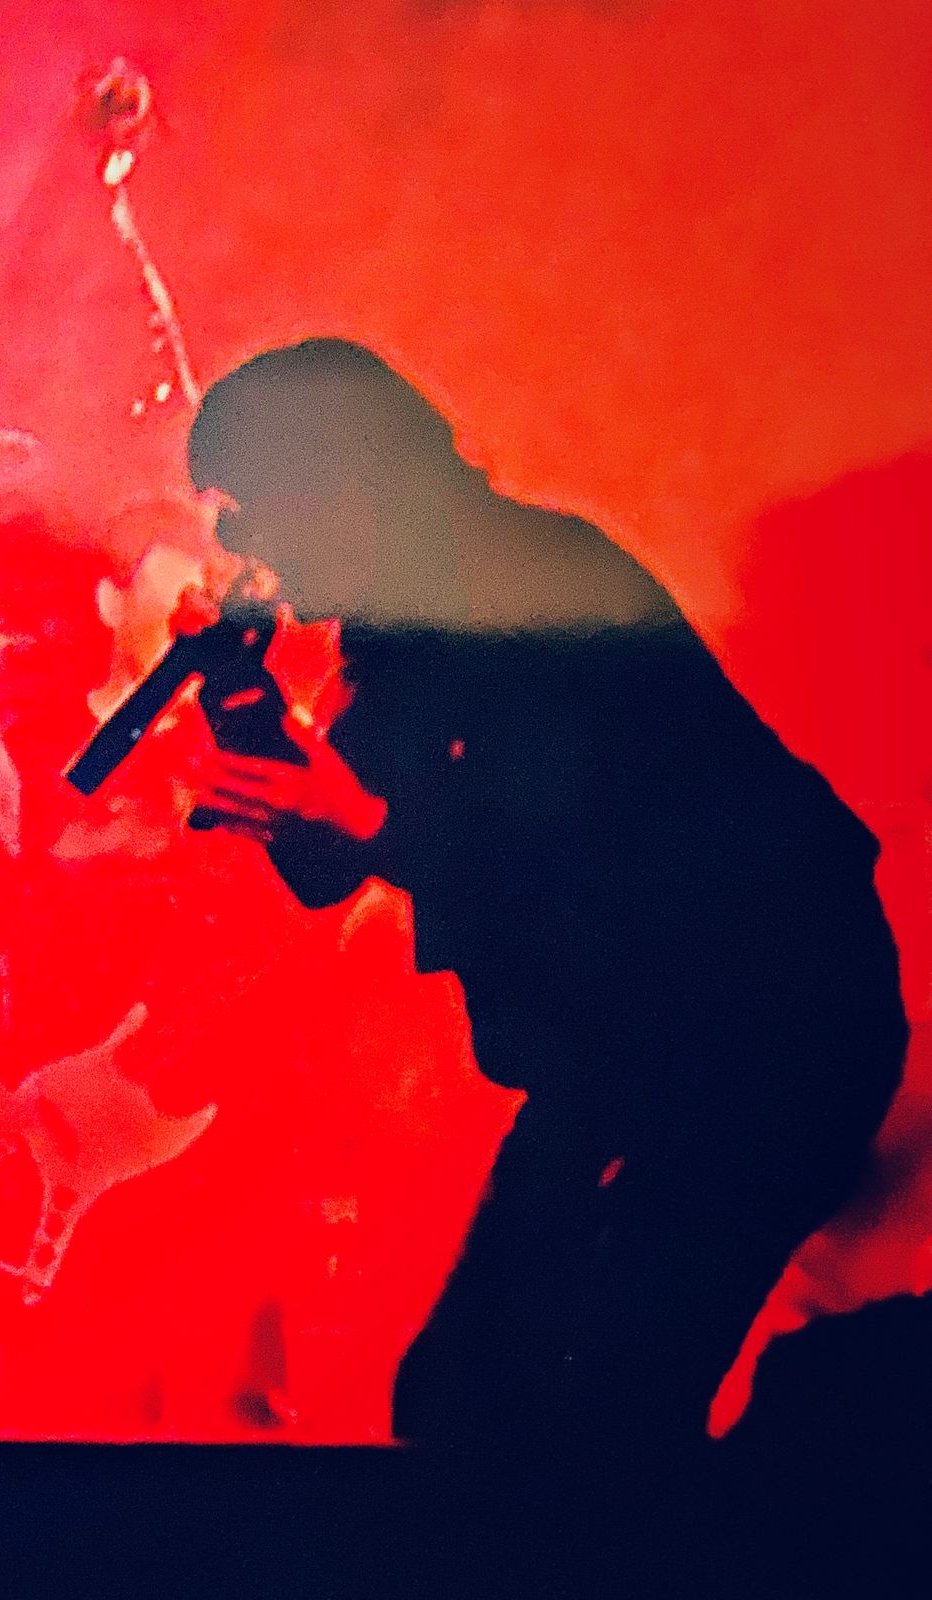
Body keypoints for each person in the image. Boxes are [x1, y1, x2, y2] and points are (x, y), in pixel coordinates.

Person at [151, 336, 909, 1471]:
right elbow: (331, 864)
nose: (235, 545)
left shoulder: (536, 586)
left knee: (603, 1405)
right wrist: (242, 700)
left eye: (250, 508)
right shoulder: (400, 636)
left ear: (341, 481)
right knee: (464, 1393)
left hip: (763, 1028)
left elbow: (564, 845)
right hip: (625, 1049)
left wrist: (356, 816)